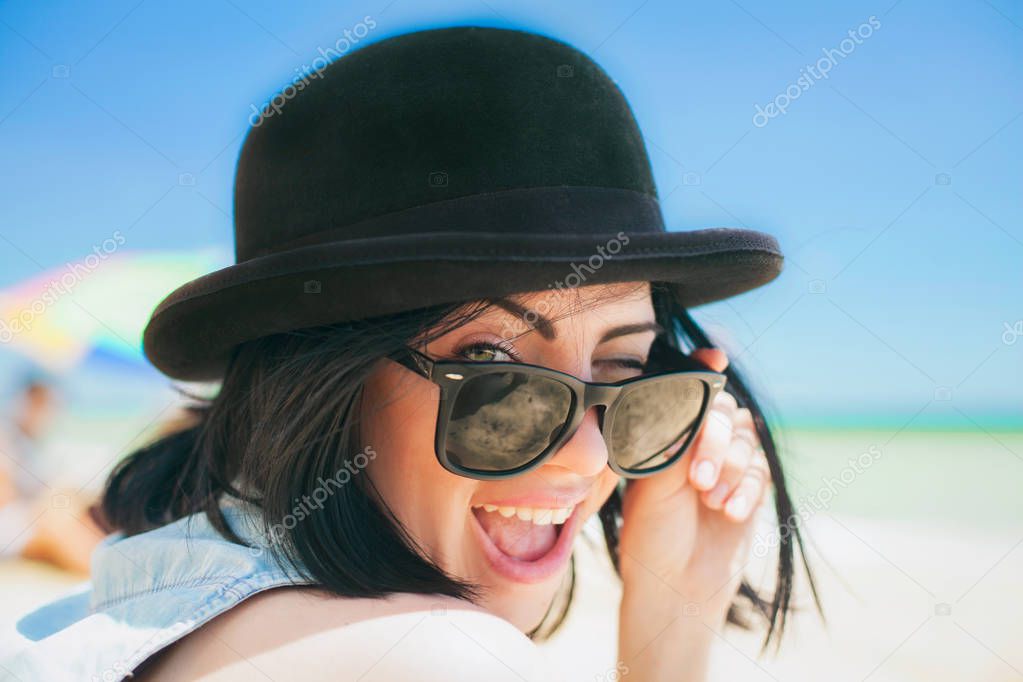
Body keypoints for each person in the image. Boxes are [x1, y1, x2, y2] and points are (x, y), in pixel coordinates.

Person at [2, 25, 819, 681]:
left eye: (627, 374)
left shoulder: (162, 594)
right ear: (319, 386)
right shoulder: (433, 657)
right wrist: (666, 653)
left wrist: (670, 606)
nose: (584, 458)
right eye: (496, 372)